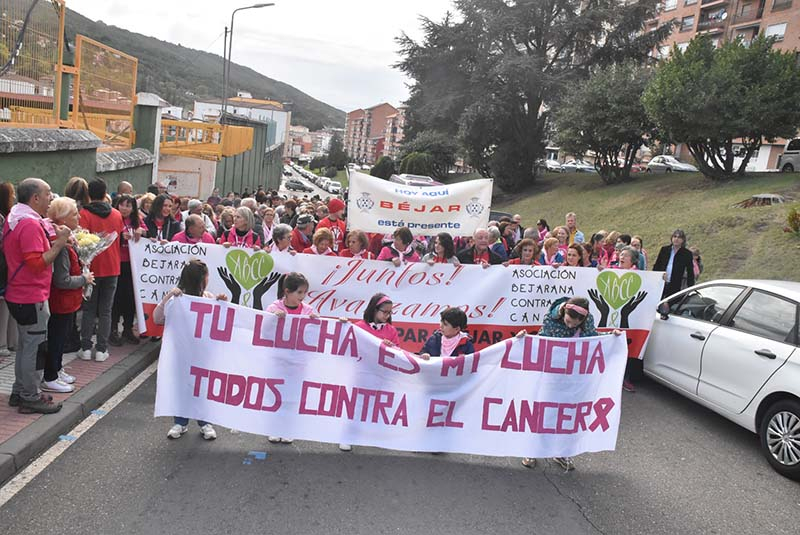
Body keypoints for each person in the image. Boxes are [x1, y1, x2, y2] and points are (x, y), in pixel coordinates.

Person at [521, 296, 622, 471]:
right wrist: (523, 339)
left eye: (574, 325)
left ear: (582, 320)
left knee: (567, 414)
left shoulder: (587, 320)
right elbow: (541, 342)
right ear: (564, 313)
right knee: (543, 410)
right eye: (568, 321)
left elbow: (592, 339)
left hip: (573, 375)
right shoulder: (551, 319)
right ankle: (532, 450)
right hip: (551, 373)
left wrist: (611, 336)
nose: (570, 326)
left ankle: (560, 451)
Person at [4, 178, 71, 414]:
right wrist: (60, 243)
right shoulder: (30, 225)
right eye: (48, 193)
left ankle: (20, 390)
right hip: (30, 295)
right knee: (34, 349)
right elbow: (36, 263)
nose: (51, 197)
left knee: (25, 346)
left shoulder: (17, 219)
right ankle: (30, 396)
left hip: (20, 294)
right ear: (34, 198)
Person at [153, 259, 226, 441]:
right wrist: (168, 297)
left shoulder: (208, 298)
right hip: (181, 354)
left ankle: (205, 422)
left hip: (203, 355)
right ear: (200, 279)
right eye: (206, 275)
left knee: (202, 387)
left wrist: (222, 303)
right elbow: (157, 318)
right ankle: (180, 422)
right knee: (181, 387)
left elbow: (222, 321)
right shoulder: (177, 299)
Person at [44, 197, 95, 393]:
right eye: (74, 214)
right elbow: (62, 280)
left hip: (68, 301)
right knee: (56, 338)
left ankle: (57, 369)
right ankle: (50, 375)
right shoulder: (62, 245)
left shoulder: (68, 239)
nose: (79, 217)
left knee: (61, 336)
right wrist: (84, 279)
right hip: (61, 301)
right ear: (63, 219)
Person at [265, 272, 319, 445]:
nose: (302, 297)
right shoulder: (274, 307)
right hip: (278, 360)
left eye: (304, 293)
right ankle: (274, 428)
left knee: (293, 395)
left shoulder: (308, 310)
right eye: (299, 293)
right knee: (276, 395)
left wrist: (315, 322)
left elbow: (315, 335)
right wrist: (273, 318)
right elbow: (263, 329)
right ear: (287, 291)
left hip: (298, 362)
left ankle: (288, 428)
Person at [78, 178, 124, 363]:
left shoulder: (84, 214)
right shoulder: (116, 214)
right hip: (113, 267)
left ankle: (86, 347)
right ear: (106, 193)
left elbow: (81, 241)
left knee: (89, 309)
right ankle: (101, 349)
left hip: (92, 268)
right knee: (106, 310)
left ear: (89, 194)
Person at [110, 194, 145, 347]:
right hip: (117, 263)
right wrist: (119, 236)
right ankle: (112, 329)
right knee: (116, 298)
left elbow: (146, 232)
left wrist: (140, 231)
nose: (125, 208)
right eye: (122, 205)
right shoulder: (114, 218)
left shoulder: (137, 220)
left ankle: (128, 329)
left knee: (131, 298)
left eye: (128, 206)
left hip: (132, 265)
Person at [0, 182, 18, 359]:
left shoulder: (9, 217)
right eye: (11, 194)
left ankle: (12, 342)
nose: (13, 198)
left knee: (9, 305)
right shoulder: (3, 219)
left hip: (9, 267)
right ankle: (3, 343)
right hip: (4, 268)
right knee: (3, 307)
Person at [653, 229, 694, 298]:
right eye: (675, 236)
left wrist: (691, 289)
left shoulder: (687, 254)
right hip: (661, 282)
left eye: (679, 237)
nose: (676, 239)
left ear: (683, 240)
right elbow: (657, 265)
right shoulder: (664, 250)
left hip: (675, 285)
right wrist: (657, 277)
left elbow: (690, 272)